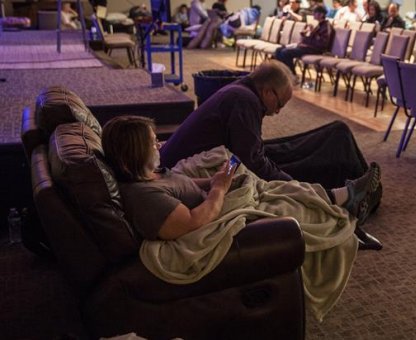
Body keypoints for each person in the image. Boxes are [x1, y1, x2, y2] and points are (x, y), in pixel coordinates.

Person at [101, 116, 382, 321]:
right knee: (291, 207)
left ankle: (344, 198)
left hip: (217, 197)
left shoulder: (151, 174)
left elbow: (183, 185)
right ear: (132, 157)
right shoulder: (143, 197)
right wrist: (220, 189)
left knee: (283, 189)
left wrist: (215, 180)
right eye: (152, 144)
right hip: (217, 214)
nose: (159, 145)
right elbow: (193, 221)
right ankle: (347, 208)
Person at [159, 60, 382, 246]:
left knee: (335, 133)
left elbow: (248, 151)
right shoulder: (244, 101)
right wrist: (293, 184)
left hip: (219, 161)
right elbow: (252, 162)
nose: (276, 112)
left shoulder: (240, 92)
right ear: (267, 91)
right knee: (288, 167)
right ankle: (339, 197)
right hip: (203, 172)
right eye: (279, 105)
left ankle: (352, 195)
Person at [273, 6, 333, 74]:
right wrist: (305, 33)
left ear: (321, 14)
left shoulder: (326, 26)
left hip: (314, 50)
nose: (313, 14)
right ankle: (281, 73)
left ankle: (292, 75)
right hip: (307, 47)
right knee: (279, 50)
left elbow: (322, 44)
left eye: (315, 12)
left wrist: (312, 33)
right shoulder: (319, 25)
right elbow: (311, 38)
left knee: (286, 52)